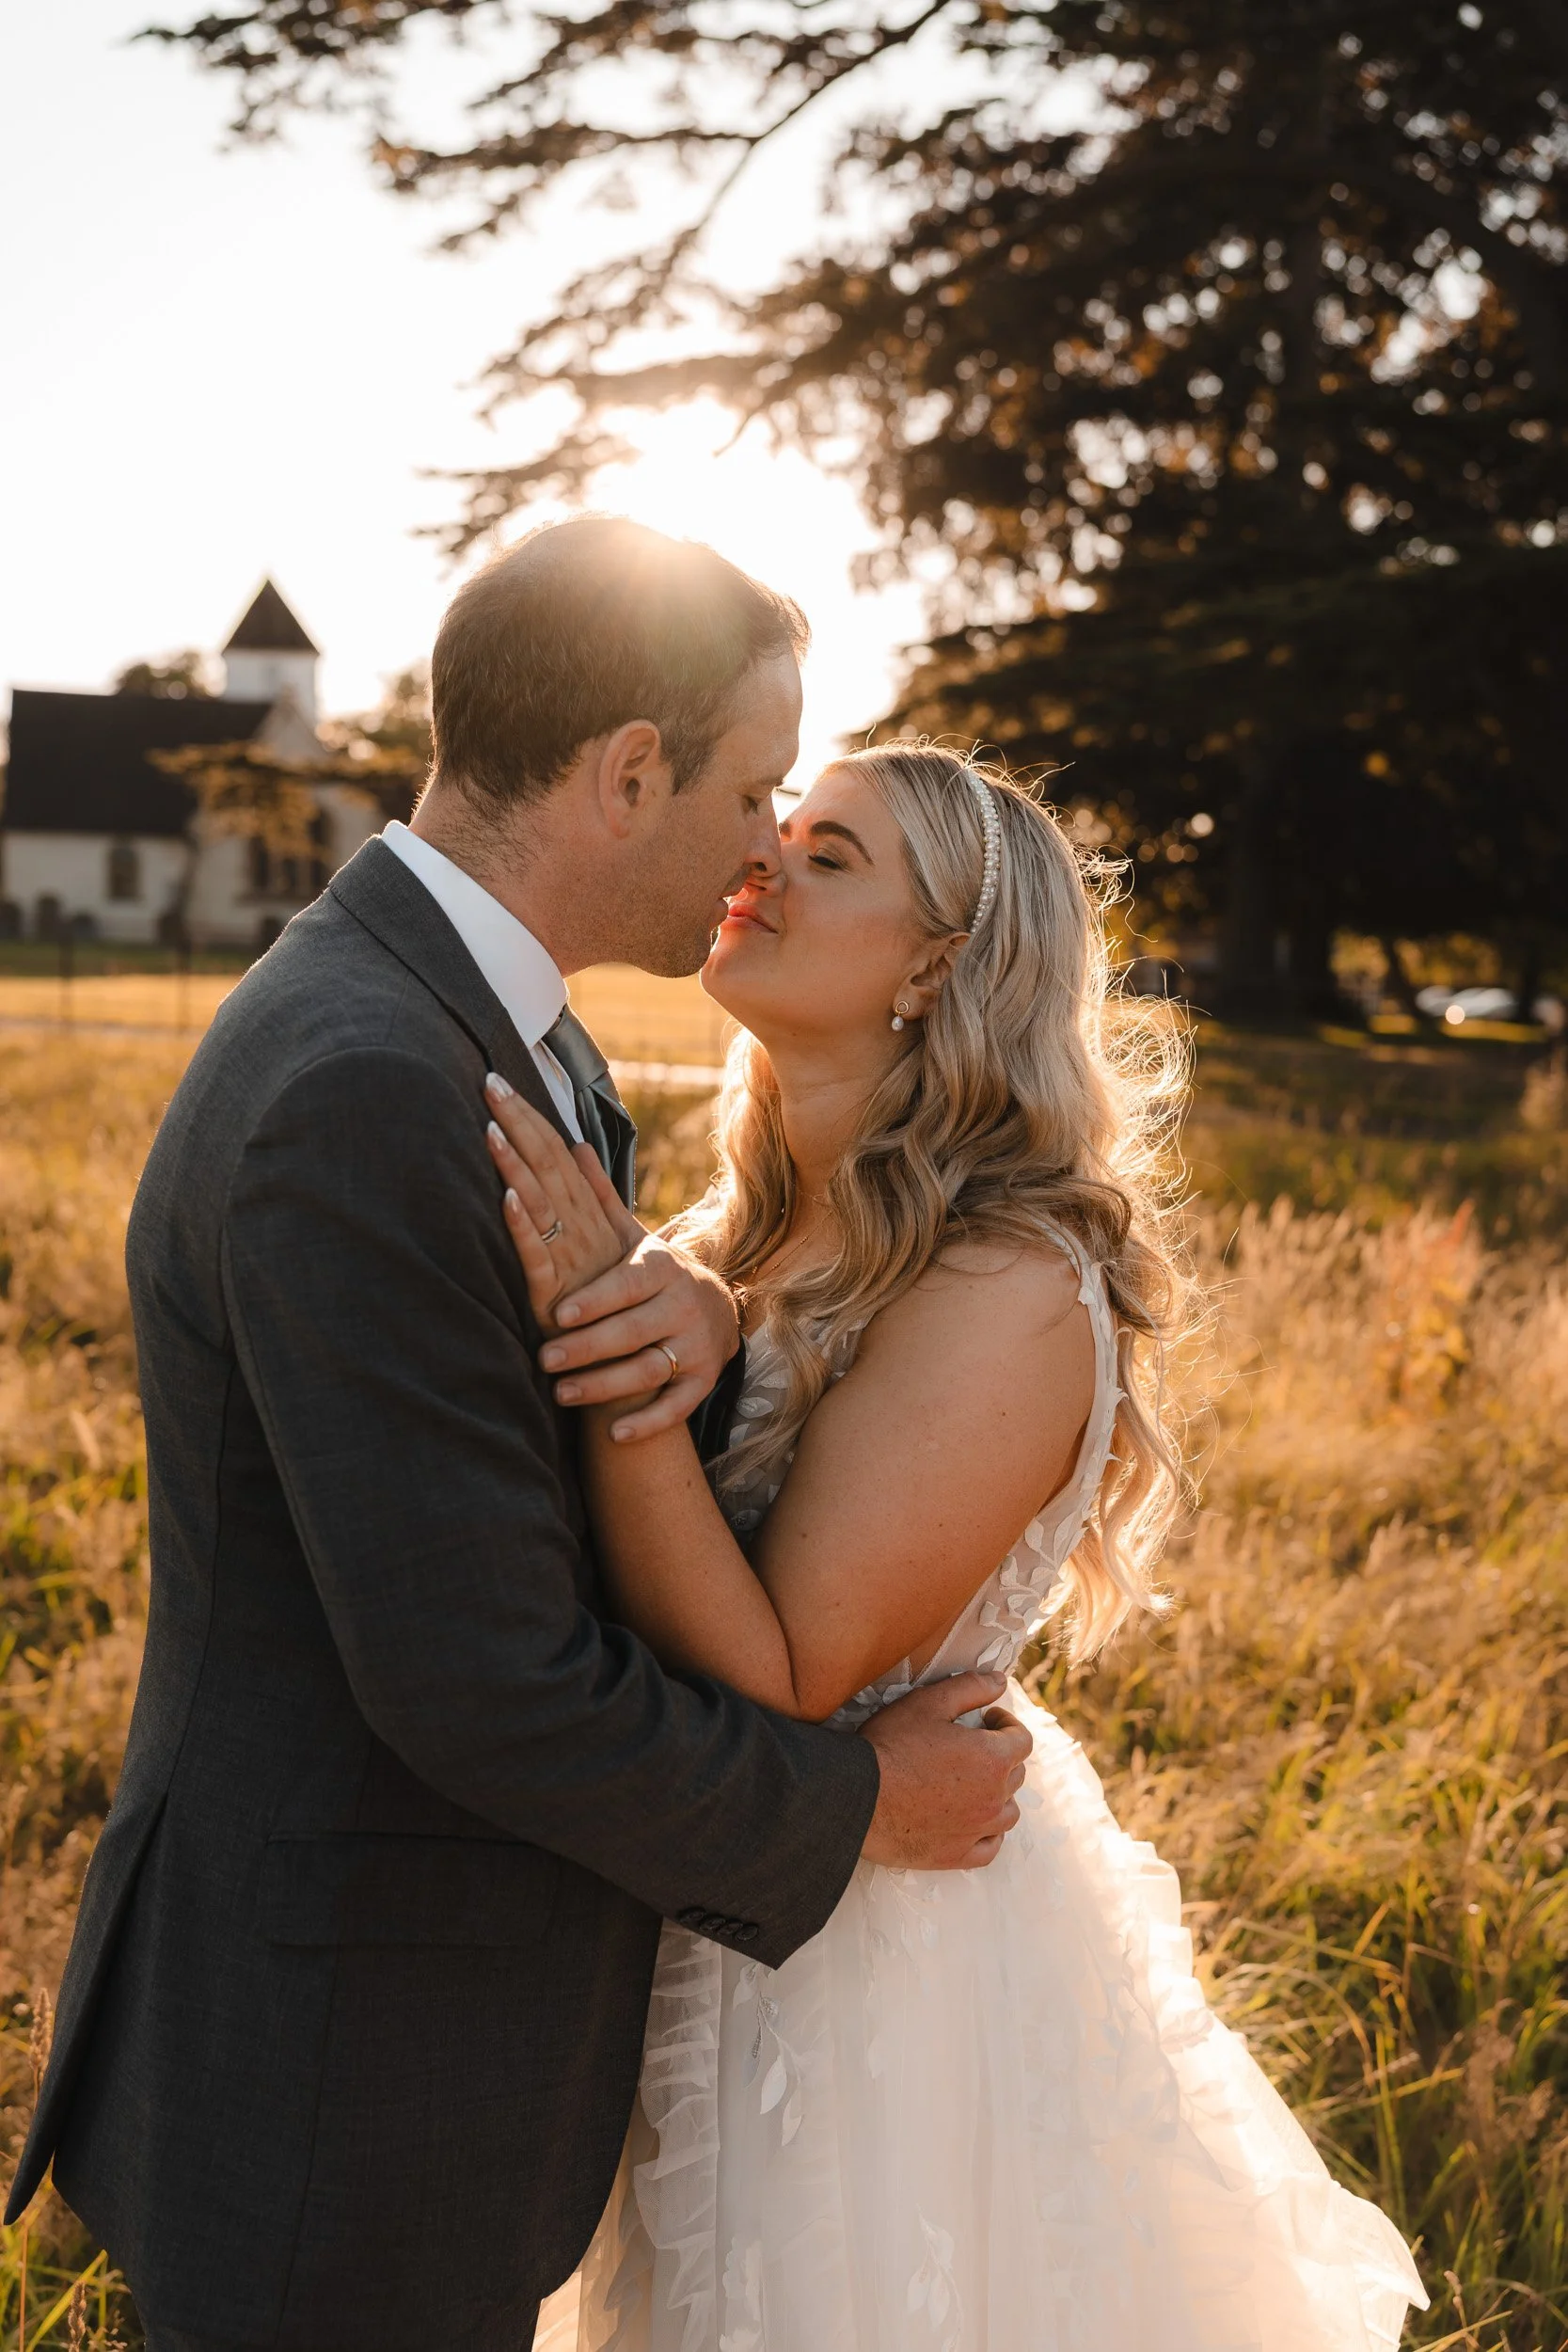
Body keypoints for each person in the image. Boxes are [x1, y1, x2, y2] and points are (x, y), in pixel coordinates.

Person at [4, 523, 1032, 2352]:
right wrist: (861, 1798)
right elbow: (485, 1678)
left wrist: (706, 1317)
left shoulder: (483, 1037)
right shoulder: (370, 1086)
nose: (756, 845)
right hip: (340, 2084)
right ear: (626, 772)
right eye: (747, 788)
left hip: (413, 2054)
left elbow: (530, 1447)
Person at [487, 744, 1431, 2351]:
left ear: (939, 963)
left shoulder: (1009, 1278)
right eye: (779, 830)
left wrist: (610, 1353)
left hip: (880, 1968)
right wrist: (682, 1300)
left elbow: (789, 1671)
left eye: (831, 854)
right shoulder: (744, 1232)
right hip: (714, 1896)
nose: (761, 861)